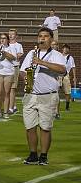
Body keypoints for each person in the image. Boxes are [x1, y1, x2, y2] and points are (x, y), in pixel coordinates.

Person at [20, 28, 67, 165]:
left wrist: (42, 62)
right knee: (30, 127)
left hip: (47, 96)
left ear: (51, 39)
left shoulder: (56, 55)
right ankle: (33, 154)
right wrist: (26, 78)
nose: (42, 38)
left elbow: (62, 70)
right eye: (40, 36)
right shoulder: (31, 53)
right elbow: (23, 71)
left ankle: (44, 155)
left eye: (46, 36)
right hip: (30, 95)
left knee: (45, 127)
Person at [7, 28, 24, 113]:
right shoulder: (6, 45)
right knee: (7, 88)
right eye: (9, 34)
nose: (10, 35)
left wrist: (17, 55)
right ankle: (14, 106)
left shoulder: (18, 45)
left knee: (12, 88)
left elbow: (19, 55)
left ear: (16, 36)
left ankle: (11, 108)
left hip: (14, 67)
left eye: (12, 34)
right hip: (6, 68)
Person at [58, 44, 77, 113]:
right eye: (64, 48)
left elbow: (73, 67)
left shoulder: (70, 57)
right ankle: (56, 107)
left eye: (67, 48)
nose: (65, 49)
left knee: (67, 92)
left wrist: (74, 77)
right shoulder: (59, 56)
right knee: (56, 90)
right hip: (58, 75)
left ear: (69, 50)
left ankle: (67, 106)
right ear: (62, 49)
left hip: (66, 75)